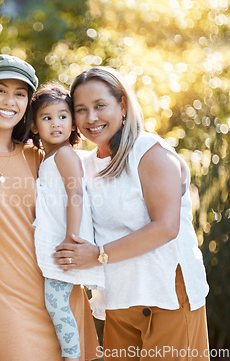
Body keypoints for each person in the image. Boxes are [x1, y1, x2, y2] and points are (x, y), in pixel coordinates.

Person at [0, 54, 100, 361]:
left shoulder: (38, 157)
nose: (10, 101)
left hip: (61, 296)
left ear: (28, 104)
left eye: (20, 94)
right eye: (1, 90)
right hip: (6, 307)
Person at [56, 66, 209, 360]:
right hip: (119, 301)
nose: (91, 118)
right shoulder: (84, 165)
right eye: (81, 109)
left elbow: (166, 227)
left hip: (167, 297)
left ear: (122, 105)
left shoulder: (148, 152)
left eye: (100, 106)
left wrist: (98, 254)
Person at [31, 83, 105, 360]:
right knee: (55, 300)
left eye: (63, 116)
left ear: (73, 122)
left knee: (56, 301)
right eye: (47, 118)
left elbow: (76, 193)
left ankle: (71, 355)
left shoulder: (64, 154)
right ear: (35, 125)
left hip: (67, 241)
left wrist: (71, 238)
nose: (56, 124)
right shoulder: (47, 158)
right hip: (58, 239)